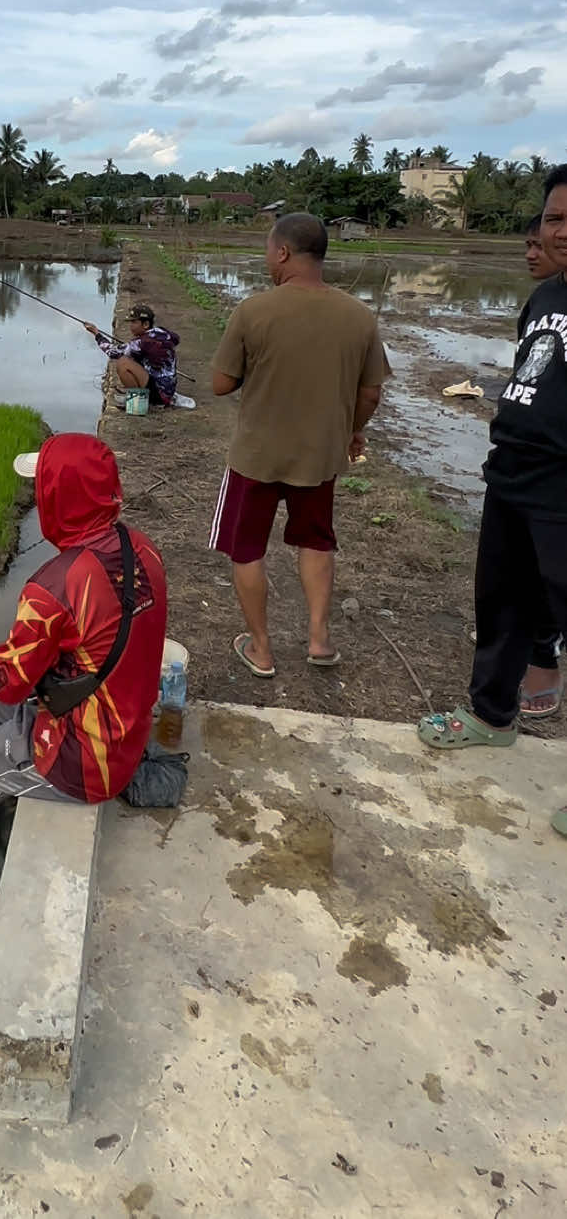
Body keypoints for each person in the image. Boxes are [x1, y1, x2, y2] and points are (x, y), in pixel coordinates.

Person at [0, 431, 167, 869]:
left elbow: (4, 681)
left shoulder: (55, 586)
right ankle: (2, 782)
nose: (38, 500)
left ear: (59, 497)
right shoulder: (142, 548)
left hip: (86, 760)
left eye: (43, 490)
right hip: (123, 727)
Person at [419, 168, 567, 842]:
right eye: (554, 218)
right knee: (501, 600)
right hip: (513, 475)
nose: (558, 232)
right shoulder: (545, 298)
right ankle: (490, 714)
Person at [210, 212, 389, 677]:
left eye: (269, 250)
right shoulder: (359, 315)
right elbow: (370, 393)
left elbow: (220, 383)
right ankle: (319, 638)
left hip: (256, 457)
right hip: (320, 457)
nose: (268, 258)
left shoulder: (253, 311)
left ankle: (263, 650)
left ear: (284, 252)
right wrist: (352, 429)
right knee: (316, 542)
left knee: (247, 549)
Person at [518, 213, 563, 717]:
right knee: (522, 574)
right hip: (521, 468)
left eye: (538, 244)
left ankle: (543, 657)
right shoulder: (542, 301)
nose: (532, 253)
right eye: (528, 243)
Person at [84, 303, 179, 408]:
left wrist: (96, 333)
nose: (131, 326)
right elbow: (176, 339)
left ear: (146, 324)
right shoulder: (161, 333)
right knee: (132, 358)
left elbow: (112, 352)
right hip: (167, 390)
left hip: (160, 395)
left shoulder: (141, 343)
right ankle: (144, 397)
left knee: (123, 363)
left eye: (134, 322)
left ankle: (137, 402)